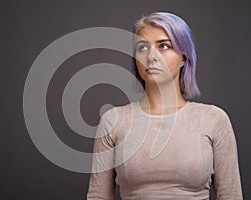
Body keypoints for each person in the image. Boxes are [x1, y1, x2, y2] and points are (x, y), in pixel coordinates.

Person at [87, 12, 243, 200]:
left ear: (184, 58)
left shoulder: (213, 119)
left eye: (164, 46)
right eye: (142, 47)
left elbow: (230, 195)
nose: (151, 56)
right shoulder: (113, 121)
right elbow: (98, 196)